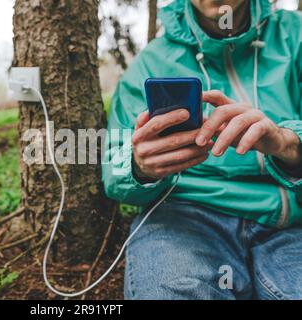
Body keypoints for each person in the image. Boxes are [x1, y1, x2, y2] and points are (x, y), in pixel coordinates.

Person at [102, 0, 302, 300]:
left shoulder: (295, 34)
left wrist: (288, 143)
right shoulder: (150, 62)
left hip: (291, 219)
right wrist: (139, 167)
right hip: (182, 218)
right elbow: (114, 168)